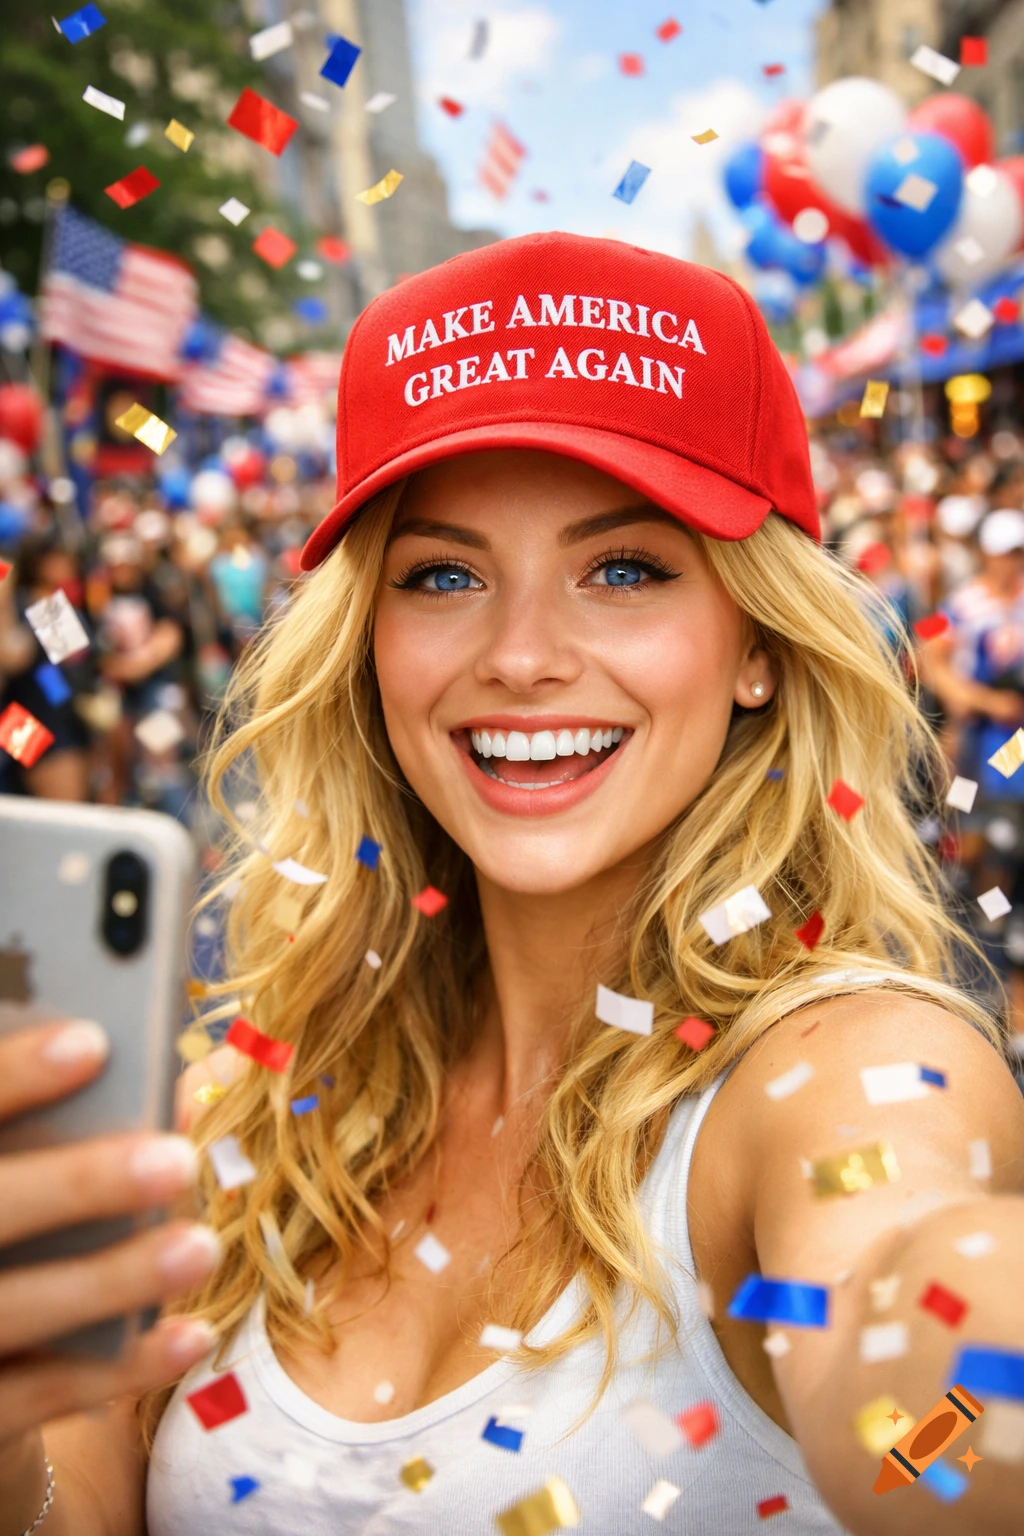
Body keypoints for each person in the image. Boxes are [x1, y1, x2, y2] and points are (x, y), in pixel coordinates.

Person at [1, 235, 1022, 1536]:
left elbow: (918, 1352)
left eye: (625, 569)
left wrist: (963, 1391)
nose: (524, 656)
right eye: (443, 575)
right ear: (368, 641)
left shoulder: (843, 1069)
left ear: (758, 641)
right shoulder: (238, 1118)